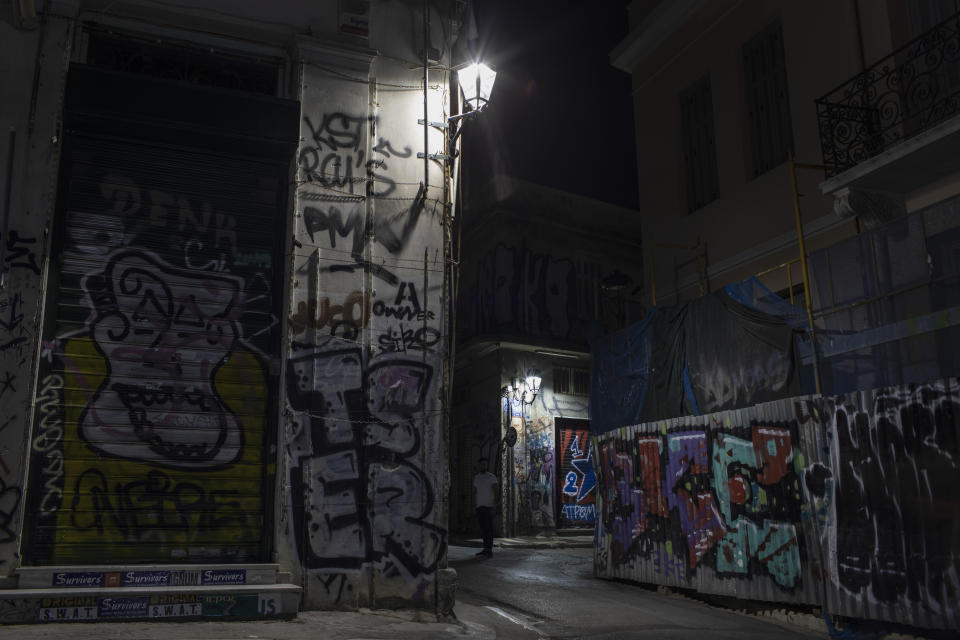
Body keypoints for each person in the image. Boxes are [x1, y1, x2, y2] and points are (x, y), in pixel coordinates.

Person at [472, 458, 498, 558]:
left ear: (486, 466)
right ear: (479, 465)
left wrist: (494, 506)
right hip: (479, 506)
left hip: (489, 506)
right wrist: (474, 505)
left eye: (485, 464)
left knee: (489, 529)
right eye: (481, 464)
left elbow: (496, 492)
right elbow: (475, 492)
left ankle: (489, 549)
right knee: (483, 528)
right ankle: (485, 548)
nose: (483, 466)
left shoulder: (491, 477)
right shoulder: (476, 478)